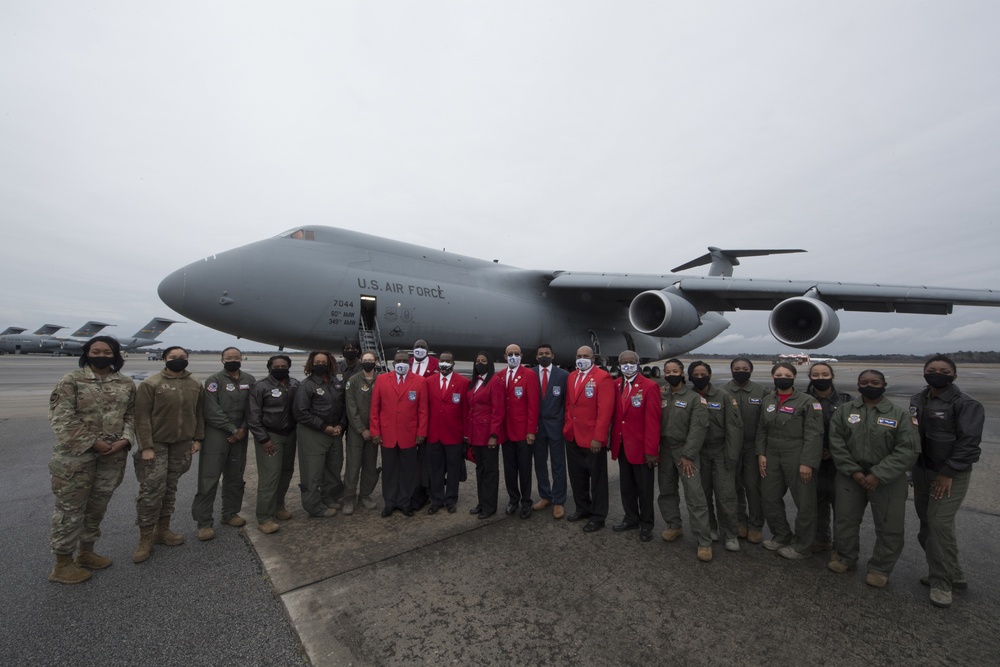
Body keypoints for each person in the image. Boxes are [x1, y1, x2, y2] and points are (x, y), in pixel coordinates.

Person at [47, 336, 135, 583]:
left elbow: (132, 415)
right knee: (70, 509)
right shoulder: (71, 380)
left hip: (112, 456)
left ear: (115, 355)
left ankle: (85, 552)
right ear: (87, 353)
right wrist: (92, 442)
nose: (102, 355)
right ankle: (62, 564)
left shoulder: (126, 383)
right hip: (75, 458)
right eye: (96, 351)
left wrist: (125, 439)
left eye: (107, 351)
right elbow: (61, 419)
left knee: (97, 506)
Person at [827, 370, 918, 588]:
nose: (869, 385)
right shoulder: (845, 411)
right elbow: (836, 442)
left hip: (888, 478)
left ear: (884, 384)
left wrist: (879, 474)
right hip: (851, 475)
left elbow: (907, 449)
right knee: (845, 520)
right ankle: (846, 558)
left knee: (889, 525)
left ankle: (880, 568)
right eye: (864, 382)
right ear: (858, 385)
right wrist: (853, 470)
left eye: (875, 382)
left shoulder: (899, 414)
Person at [910, 355, 984, 609]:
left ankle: (941, 582)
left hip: (949, 475)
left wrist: (948, 473)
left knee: (938, 526)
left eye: (943, 370)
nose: (937, 373)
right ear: (924, 373)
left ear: (954, 375)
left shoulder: (966, 404)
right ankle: (955, 574)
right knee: (928, 526)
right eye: (931, 370)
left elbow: (969, 446)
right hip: (922, 471)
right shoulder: (918, 399)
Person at [133, 346, 204, 564]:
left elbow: (198, 413)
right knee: (152, 489)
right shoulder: (151, 384)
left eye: (183, 357)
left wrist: (198, 438)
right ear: (164, 359)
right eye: (173, 357)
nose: (178, 360)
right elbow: (141, 417)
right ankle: (145, 538)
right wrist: (146, 446)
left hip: (182, 444)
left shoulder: (194, 384)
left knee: (170, 488)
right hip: (156, 444)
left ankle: (162, 531)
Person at [756, 362, 824, 561]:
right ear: (773, 376)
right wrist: (761, 453)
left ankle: (802, 545)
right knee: (769, 496)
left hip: (797, 452)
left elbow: (814, 433)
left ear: (794, 377)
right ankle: (781, 535)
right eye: (778, 374)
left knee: (805, 502)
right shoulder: (768, 399)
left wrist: (807, 462)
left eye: (787, 374)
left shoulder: (807, 401)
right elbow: (762, 428)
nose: (782, 377)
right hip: (771, 451)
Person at [192, 347, 256, 541]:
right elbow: (211, 410)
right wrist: (232, 429)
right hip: (217, 434)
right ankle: (204, 523)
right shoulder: (214, 381)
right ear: (222, 360)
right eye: (229, 358)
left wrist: (243, 429)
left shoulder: (249, 380)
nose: (233, 360)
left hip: (240, 434)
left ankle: (230, 514)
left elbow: (253, 407)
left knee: (235, 476)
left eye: (236, 357)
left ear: (241, 359)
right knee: (209, 478)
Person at [657, 358, 713, 562]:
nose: (671, 374)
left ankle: (704, 541)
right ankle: (674, 525)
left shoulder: (694, 399)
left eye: (675, 371)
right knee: (666, 490)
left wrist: (688, 455)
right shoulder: (662, 394)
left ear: (682, 373)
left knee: (695, 496)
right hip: (664, 449)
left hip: (685, 451)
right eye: (667, 371)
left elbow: (699, 429)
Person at [689, 361, 743, 553]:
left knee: (725, 495)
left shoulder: (723, 397)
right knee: (702, 494)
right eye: (695, 374)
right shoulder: (689, 396)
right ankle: (710, 528)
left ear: (710, 375)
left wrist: (731, 455)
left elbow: (734, 429)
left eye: (703, 373)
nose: (700, 377)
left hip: (720, 451)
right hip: (698, 453)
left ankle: (731, 534)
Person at [609, 350, 661, 543]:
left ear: (638, 364)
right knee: (627, 486)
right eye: (624, 362)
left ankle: (647, 524)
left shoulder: (649, 386)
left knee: (644, 489)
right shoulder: (615, 385)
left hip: (641, 448)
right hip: (622, 446)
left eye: (631, 362)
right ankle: (631, 518)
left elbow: (653, 422)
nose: (627, 365)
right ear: (619, 364)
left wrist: (651, 451)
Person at [371, 350, 429, 517]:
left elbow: (423, 410)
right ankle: (389, 502)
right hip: (387, 433)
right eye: (398, 360)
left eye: (405, 360)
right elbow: (375, 408)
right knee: (389, 470)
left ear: (410, 363)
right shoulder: (382, 380)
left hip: (410, 434)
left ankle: (404, 502)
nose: (401, 363)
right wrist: (375, 431)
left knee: (407, 471)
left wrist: (421, 433)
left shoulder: (419, 381)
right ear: (393, 363)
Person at [563, 345, 614, 533]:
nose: (581, 358)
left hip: (592, 438)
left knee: (598, 480)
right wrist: (567, 426)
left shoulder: (603, 378)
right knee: (577, 477)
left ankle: (598, 516)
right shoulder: (572, 377)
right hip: (572, 435)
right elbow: (569, 405)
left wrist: (599, 438)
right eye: (578, 356)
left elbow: (605, 411)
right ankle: (582, 508)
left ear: (593, 359)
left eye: (586, 356)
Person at [247, 354, 299, 534]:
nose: (280, 368)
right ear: (269, 367)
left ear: (289, 366)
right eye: (276, 366)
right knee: (270, 476)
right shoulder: (261, 386)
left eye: (283, 365)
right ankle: (264, 517)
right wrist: (263, 439)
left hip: (290, 434)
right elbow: (253, 416)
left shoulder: (294, 384)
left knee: (286, 472)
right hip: (271, 436)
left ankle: (279, 507)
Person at [292, 350, 347, 518]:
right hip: (314, 432)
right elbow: (301, 412)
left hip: (334, 431)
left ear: (330, 364)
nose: (320, 365)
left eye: (324, 362)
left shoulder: (335, 383)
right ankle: (314, 507)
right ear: (311, 364)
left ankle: (327, 497)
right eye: (317, 362)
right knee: (313, 471)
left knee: (333, 468)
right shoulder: (306, 385)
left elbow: (344, 407)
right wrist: (323, 427)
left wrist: (341, 425)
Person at [805, 362, 852, 552]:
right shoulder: (805, 399)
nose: (820, 378)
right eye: (815, 375)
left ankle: (841, 549)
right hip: (813, 459)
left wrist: (834, 452)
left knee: (842, 507)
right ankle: (821, 538)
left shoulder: (846, 401)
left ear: (832, 376)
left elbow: (854, 432)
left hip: (839, 461)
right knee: (817, 503)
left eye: (825, 374)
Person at [725, 358, 768, 544]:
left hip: (752, 447)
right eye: (737, 368)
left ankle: (756, 524)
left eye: (744, 369)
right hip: (730, 446)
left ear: (751, 370)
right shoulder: (722, 391)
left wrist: (761, 451)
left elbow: (765, 423)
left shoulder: (762, 392)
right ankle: (739, 522)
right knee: (734, 487)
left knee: (752, 487)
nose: (740, 371)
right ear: (731, 370)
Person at [426, 351, 469, 513]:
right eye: (442, 361)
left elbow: (466, 410)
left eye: (447, 361)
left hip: (454, 434)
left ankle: (451, 499)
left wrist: (465, 434)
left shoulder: (463, 383)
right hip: (434, 434)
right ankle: (436, 500)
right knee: (435, 470)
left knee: (453, 470)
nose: (444, 363)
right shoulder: (429, 382)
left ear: (453, 363)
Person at [501, 343, 539, 519]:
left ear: (521, 356)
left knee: (524, 469)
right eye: (510, 354)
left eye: (516, 354)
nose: (513, 356)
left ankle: (526, 502)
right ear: (505, 356)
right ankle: (513, 500)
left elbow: (533, 405)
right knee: (509, 469)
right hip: (506, 432)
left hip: (523, 432)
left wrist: (531, 430)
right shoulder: (500, 376)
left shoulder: (529, 375)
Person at [466, 352, 505, 519]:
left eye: (483, 361)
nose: (480, 363)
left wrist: (494, 435)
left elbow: (498, 411)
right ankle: (482, 503)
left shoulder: (495, 382)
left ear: (490, 364)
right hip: (476, 434)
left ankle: (489, 507)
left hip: (488, 435)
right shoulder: (474, 382)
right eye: (477, 361)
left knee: (490, 471)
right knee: (480, 469)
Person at [532, 343, 568, 519]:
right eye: (540, 353)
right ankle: (545, 495)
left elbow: (567, 403)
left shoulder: (563, 376)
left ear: (553, 355)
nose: (543, 355)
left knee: (558, 464)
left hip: (556, 427)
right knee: (540, 464)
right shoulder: (529, 374)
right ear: (536, 356)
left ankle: (559, 500)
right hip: (537, 428)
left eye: (547, 353)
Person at [343, 350, 381, 514]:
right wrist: (361, 429)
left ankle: (365, 495)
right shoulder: (353, 381)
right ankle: (349, 498)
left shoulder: (382, 380)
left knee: (370, 465)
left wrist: (374, 430)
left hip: (375, 431)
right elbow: (351, 408)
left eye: (370, 360)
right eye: (365, 360)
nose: (368, 362)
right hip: (356, 432)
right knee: (353, 465)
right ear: (360, 361)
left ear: (376, 361)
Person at [408, 339, 437, 510]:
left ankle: (428, 491)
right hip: (411, 418)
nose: (419, 349)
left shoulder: (436, 364)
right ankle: (414, 490)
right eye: (417, 347)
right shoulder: (407, 363)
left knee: (428, 459)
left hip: (429, 417)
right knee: (413, 459)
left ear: (428, 350)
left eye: (423, 347)